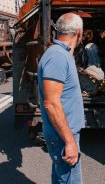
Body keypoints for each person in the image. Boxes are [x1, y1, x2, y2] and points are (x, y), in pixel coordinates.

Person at [38, 13, 85, 183]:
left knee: (60, 179)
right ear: (78, 33)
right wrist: (69, 141)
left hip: (63, 134)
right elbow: (51, 103)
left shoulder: (62, 54)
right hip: (62, 136)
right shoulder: (57, 56)